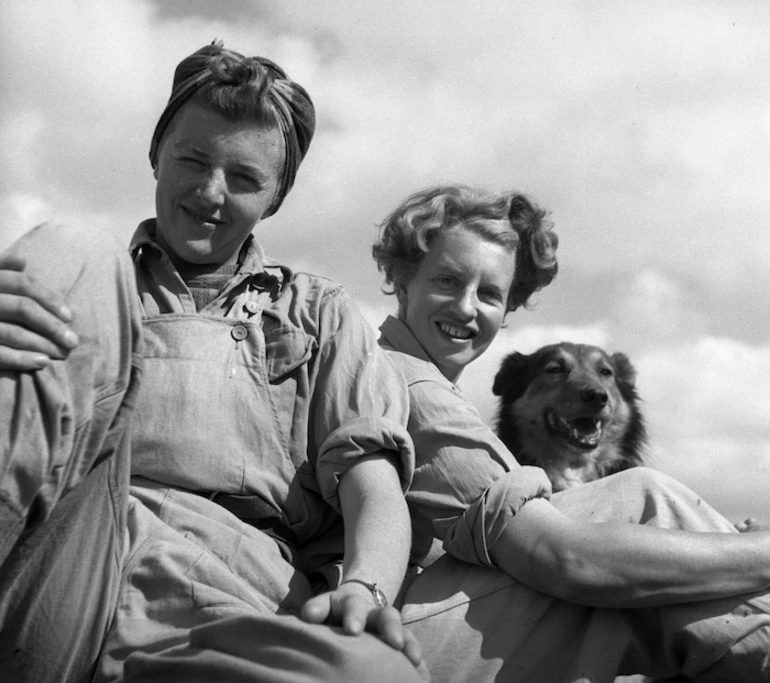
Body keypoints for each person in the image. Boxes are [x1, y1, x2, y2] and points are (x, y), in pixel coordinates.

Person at [0, 41, 427, 683]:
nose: (210, 192)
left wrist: (363, 591)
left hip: (231, 589)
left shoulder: (316, 311)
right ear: (155, 156)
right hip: (66, 552)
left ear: (276, 198)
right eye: (192, 160)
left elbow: (375, 489)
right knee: (73, 248)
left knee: (374, 673)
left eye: (245, 179)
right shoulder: (92, 287)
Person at [372, 184, 770, 682]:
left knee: (651, 579)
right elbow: (569, 560)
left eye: (491, 293)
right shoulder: (406, 382)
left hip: (420, 623)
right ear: (402, 280)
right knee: (641, 501)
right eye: (448, 281)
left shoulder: (405, 380)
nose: (468, 308)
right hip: (399, 645)